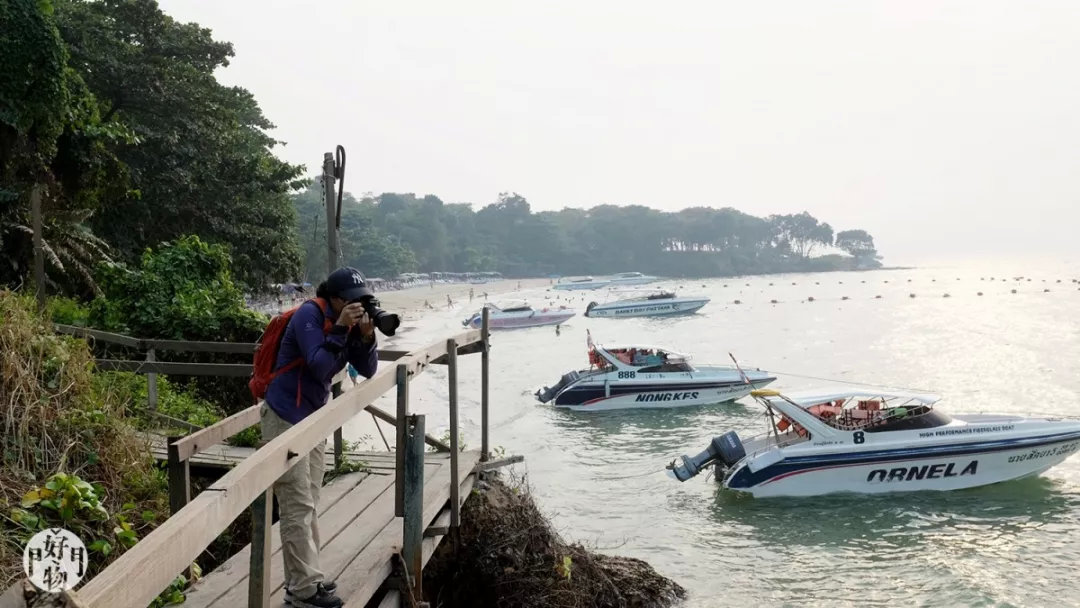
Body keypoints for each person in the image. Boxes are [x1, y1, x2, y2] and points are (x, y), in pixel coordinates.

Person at [262, 267, 379, 608]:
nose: (359, 307)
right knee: (297, 505)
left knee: (310, 501)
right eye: (353, 302)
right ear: (336, 299)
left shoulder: (349, 321)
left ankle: (305, 578)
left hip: (312, 419)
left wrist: (366, 336)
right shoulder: (309, 316)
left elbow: (368, 369)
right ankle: (302, 591)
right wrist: (342, 327)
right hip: (284, 417)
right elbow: (320, 366)